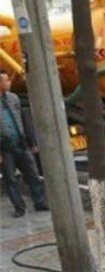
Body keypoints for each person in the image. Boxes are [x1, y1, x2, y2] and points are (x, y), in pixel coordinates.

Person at [0, 70, 48, 217]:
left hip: (21, 143)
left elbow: (24, 119)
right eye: (6, 81)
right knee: (10, 178)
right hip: (5, 148)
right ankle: (19, 207)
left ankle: (40, 202)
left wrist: (32, 141)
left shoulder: (13, 98)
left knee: (33, 174)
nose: (8, 83)